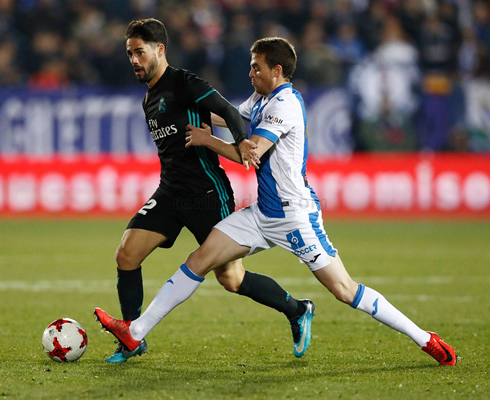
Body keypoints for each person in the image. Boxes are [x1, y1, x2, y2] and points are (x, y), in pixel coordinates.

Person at [95, 37, 458, 366]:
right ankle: (136, 331)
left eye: (256, 67)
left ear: (276, 70)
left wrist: (207, 141)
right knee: (199, 259)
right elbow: (230, 116)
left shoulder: (284, 104)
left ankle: (425, 339)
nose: (250, 72)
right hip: (260, 214)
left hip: (294, 216)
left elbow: (250, 155)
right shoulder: (262, 97)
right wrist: (191, 112)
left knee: (345, 291)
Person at [105, 19, 315, 363]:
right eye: (129, 53)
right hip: (171, 192)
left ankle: (297, 309)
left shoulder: (184, 82)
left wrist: (243, 142)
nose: (133, 60)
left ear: (160, 50)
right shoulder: (149, 98)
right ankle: (132, 337)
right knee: (127, 255)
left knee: (231, 279)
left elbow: (230, 111)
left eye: (139, 52)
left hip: (206, 193)